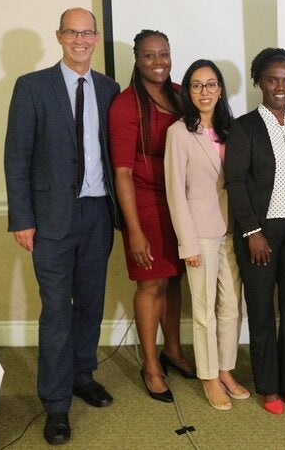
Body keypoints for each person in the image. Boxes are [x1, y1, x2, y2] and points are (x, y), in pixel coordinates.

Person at [4, 7, 120, 445]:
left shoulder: (109, 89)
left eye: (87, 32)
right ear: (59, 36)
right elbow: (16, 158)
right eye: (72, 32)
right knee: (57, 310)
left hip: (96, 214)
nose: (80, 39)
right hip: (50, 219)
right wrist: (22, 218)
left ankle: (82, 376)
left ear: (95, 37)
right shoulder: (32, 87)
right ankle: (55, 404)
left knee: (91, 302)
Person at [109, 30, 195, 405]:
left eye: (164, 53)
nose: (158, 62)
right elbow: (123, 172)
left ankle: (172, 351)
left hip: (179, 202)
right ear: (137, 59)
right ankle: (150, 365)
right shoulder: (125, 106)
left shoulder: (180, 93)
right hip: (143, 204)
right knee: (152, 285)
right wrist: (135, 231)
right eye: (149, 56)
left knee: (174, 280)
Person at [224, 48, 285, 415]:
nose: (280, 86)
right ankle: (268, 387)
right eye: (273, 79)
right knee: (261, 312)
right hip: (260, 232)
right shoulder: (244, 127)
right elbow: (236, 181)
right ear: (259, 80)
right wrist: (252, 232)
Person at [164, 60, 248, 411]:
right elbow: (175, 192)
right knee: (204, 310)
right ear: (188, 90)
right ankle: (209, 376)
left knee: (231, 306)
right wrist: (188, 243)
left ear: (220, 89)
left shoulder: (233, 130)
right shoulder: (179, 132)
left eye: (211, 84)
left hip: (234, 230)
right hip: (200, 233)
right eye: (196, 85)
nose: (204, 92)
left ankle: (226, 369)